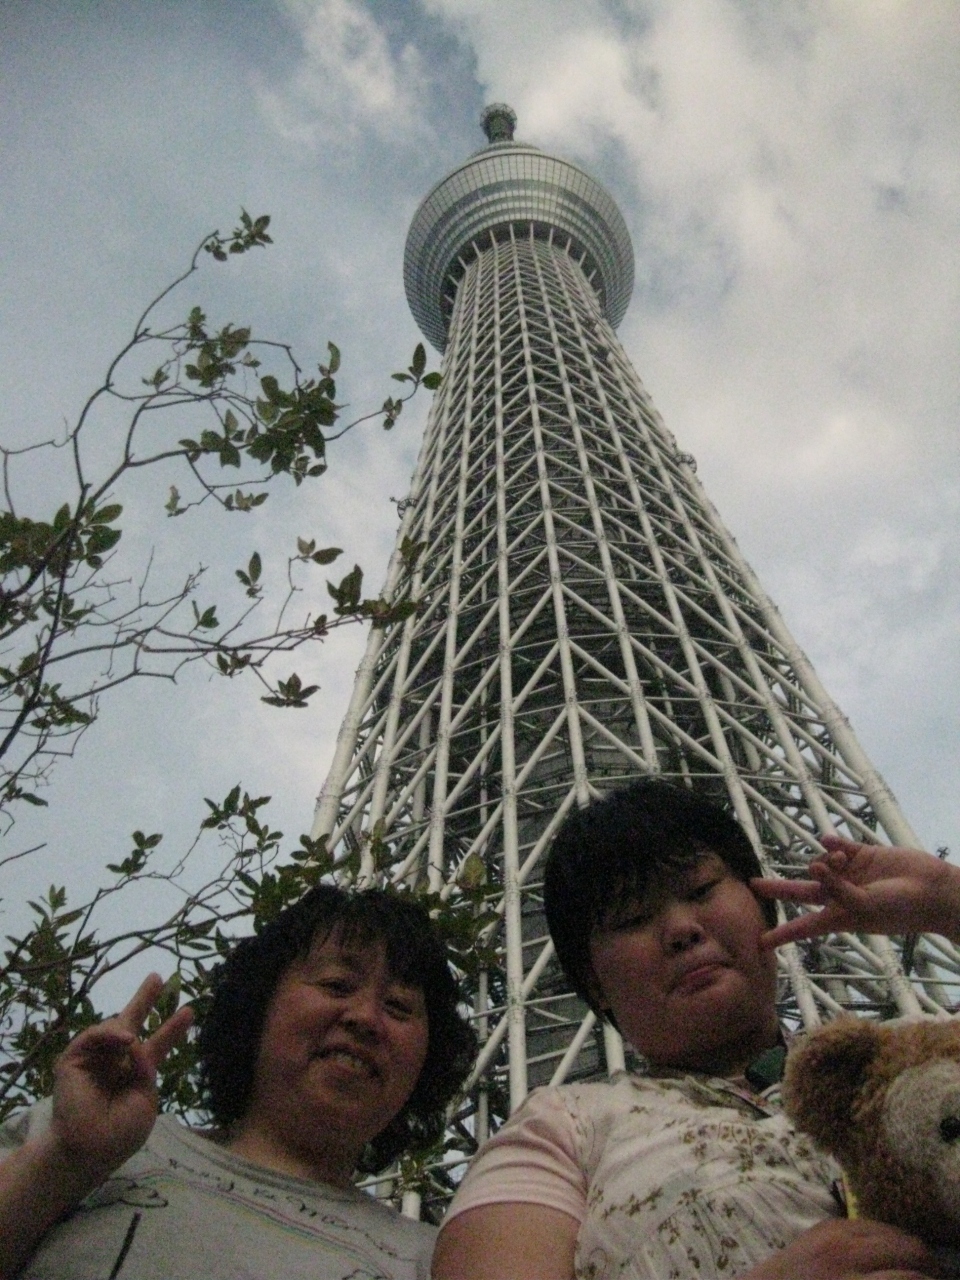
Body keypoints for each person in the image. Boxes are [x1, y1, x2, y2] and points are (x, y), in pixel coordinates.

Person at [432, 778, 960, 1280]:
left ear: (764, 903)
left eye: (703, 889)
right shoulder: (564, 1132)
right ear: (593, 984)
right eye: (632, 919)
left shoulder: (910, 1052)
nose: (682, 930)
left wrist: (945, 900)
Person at [0, 884, 477, 1280]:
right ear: (258, 1006)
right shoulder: (87, 1138)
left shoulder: (435, 1263)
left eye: (398, 1007)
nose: (366, 1019)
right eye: (336, 985)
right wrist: (65, 1157)